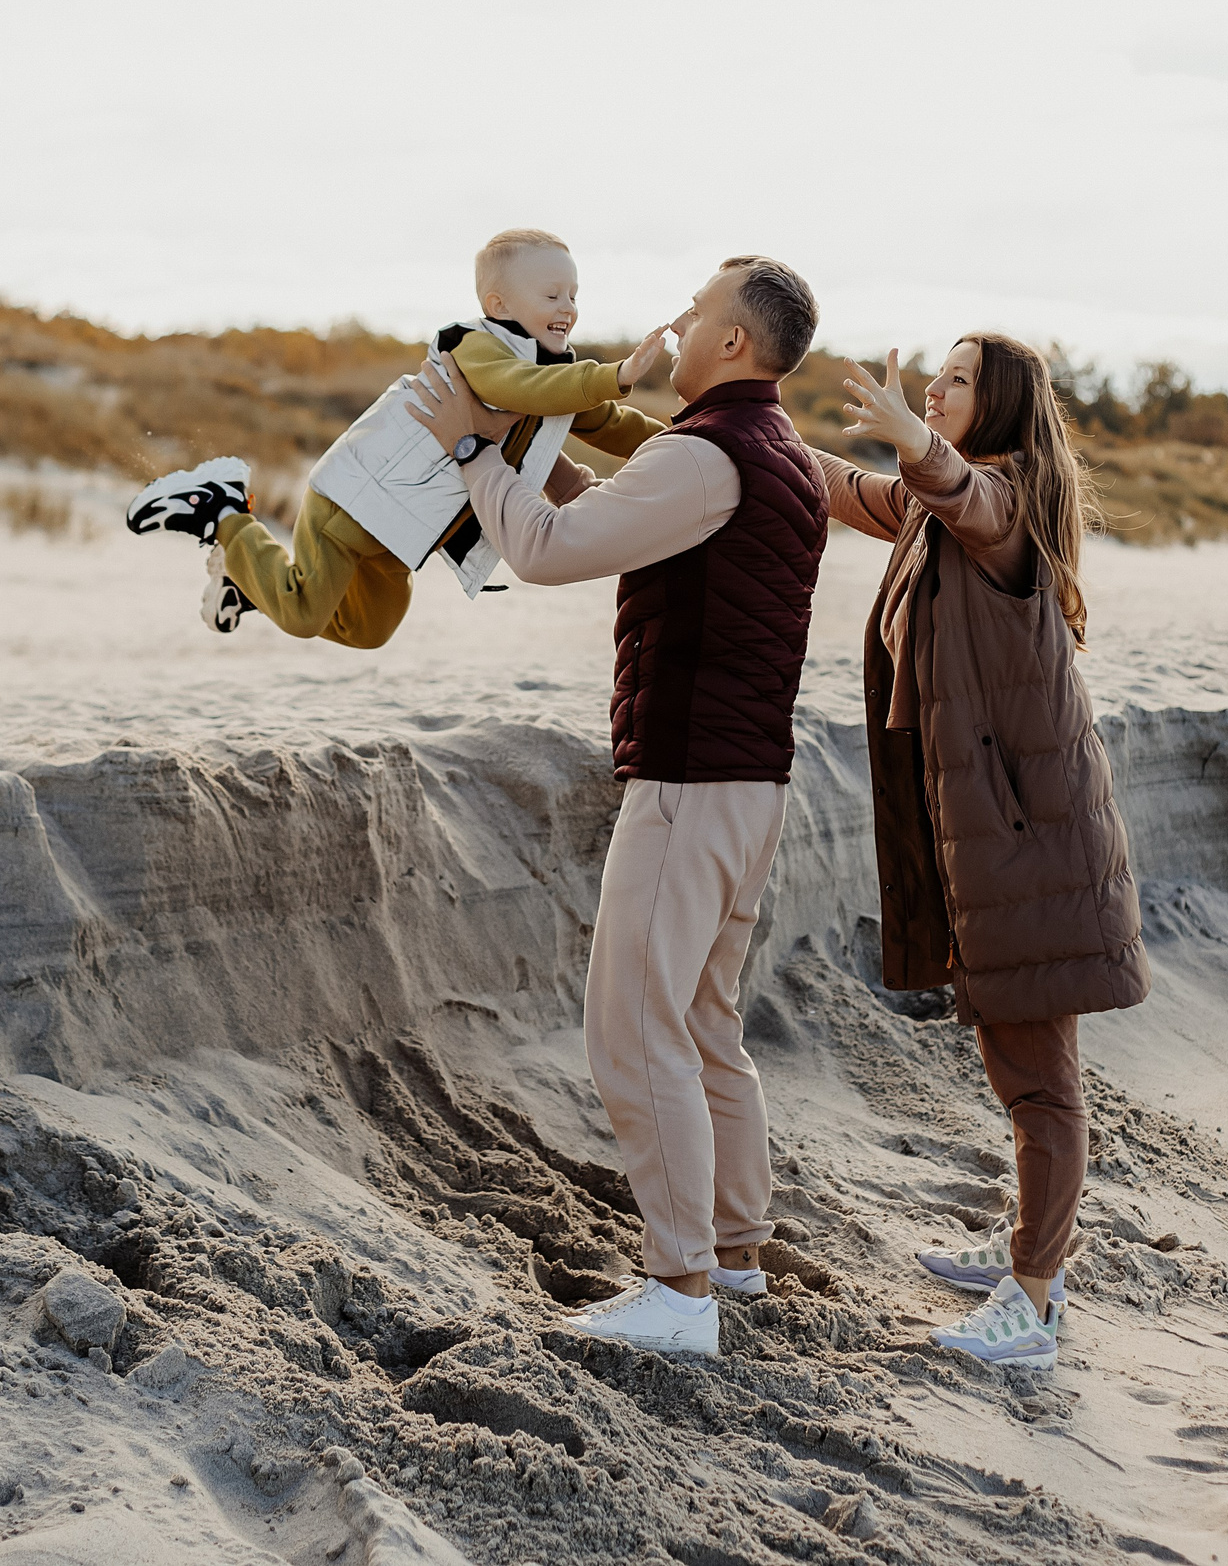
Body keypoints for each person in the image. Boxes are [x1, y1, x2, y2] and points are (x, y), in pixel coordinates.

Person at [407, 256, 828, 1357]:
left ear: (733, 343)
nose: (678, 323)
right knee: (702, 1026)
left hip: (688, 787)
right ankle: (731, 1257)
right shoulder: (774, 452)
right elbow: (626, 520)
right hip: (749, 788)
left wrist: (470, 448)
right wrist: (534, 466)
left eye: (698, 312)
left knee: (634, 1030)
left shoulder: (705, 452)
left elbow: (542, 554)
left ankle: (681, 1287)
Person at [820, 333, 1150, 1372]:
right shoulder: (931, 514)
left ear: (995, 407)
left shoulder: (1003, 508)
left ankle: (1036, 1301)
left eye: (955, 380)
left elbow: (964, 493)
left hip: (1030, 837)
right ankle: (1026, 1254)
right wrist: (722, 429)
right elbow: (842, 484)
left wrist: (915, 437)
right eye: (937, 376)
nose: (934, 386)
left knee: (1040, 1078)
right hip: (996, 832)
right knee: (1018, 1068)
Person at [121, 228, 667, 644]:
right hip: (352, 504)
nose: (568, 308)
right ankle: (224, 514)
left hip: (400, 532)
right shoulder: (477, 347)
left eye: (573, 295)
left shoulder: (556, 379)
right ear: (499, 305)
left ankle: (250, 586)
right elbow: (520, 386)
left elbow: (609, 422)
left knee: (368, 629)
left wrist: (686, 437)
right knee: (307, 614)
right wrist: (613, 376)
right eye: (552, 296)